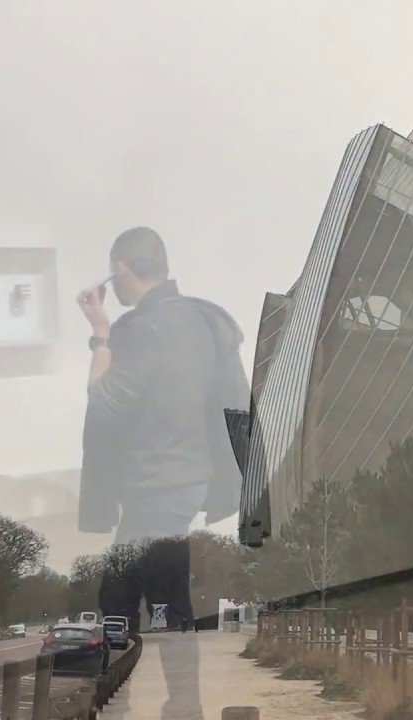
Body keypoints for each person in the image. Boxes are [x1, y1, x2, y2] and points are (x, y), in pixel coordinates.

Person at [76, 227, 248, 719]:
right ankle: (177, 706)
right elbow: (235, 403)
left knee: (121, 594)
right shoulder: (204, 321)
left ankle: (120, 704)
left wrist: (100, 333)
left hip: (156, 483)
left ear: (123, 270)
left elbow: (105, 404)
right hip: (190, 479)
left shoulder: (142, 329)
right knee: (166, 593)